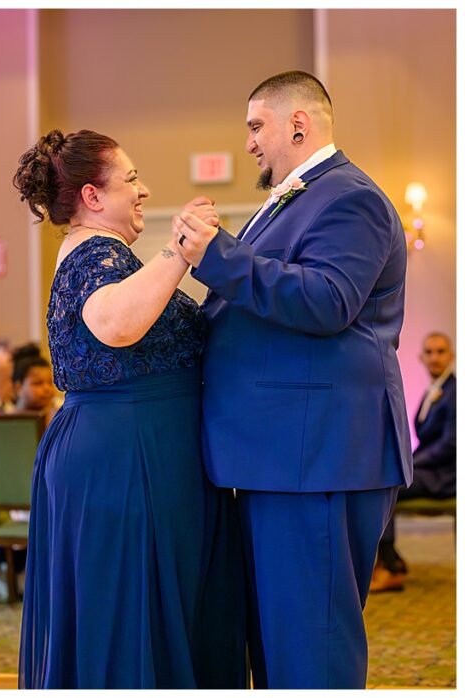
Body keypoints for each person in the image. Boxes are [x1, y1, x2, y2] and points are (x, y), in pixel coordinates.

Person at [173, 70, 411, 689]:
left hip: (316, 455)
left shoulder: (349, 198)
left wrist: (216, 256)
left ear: (297, 125)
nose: (249, 142)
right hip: (281, 453)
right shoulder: (295, 197)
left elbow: (327, 301)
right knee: (276, 637)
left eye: (256, 126)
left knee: (310, 644)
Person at [14, 129, 246, 689]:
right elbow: (115, 324)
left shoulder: (109, 254)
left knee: (146, 611)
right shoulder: (95, 253)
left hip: (137, 449)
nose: (143, 190)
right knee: (131, 616)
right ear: (93, 197)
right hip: (128, 457)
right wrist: (180, 249)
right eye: (132, 179)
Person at [372, 332, 456, 592]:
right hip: (432, 470)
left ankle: (391, 566)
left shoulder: (455, 392)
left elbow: (451, 444)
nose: (434, 357)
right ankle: (391, 560)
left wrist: (411, 464)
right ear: (422, 357)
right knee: (383, 481)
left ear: (451, 355)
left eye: (440, 351)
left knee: (388, 486)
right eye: (429, 352)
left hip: (446, 475)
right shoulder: (435, 391)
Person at [9, 344, 58, 426]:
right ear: (18, 388)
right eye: (38, 383)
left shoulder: (58, 417)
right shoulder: (7, 423)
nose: (47, 388)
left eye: (50, 382)